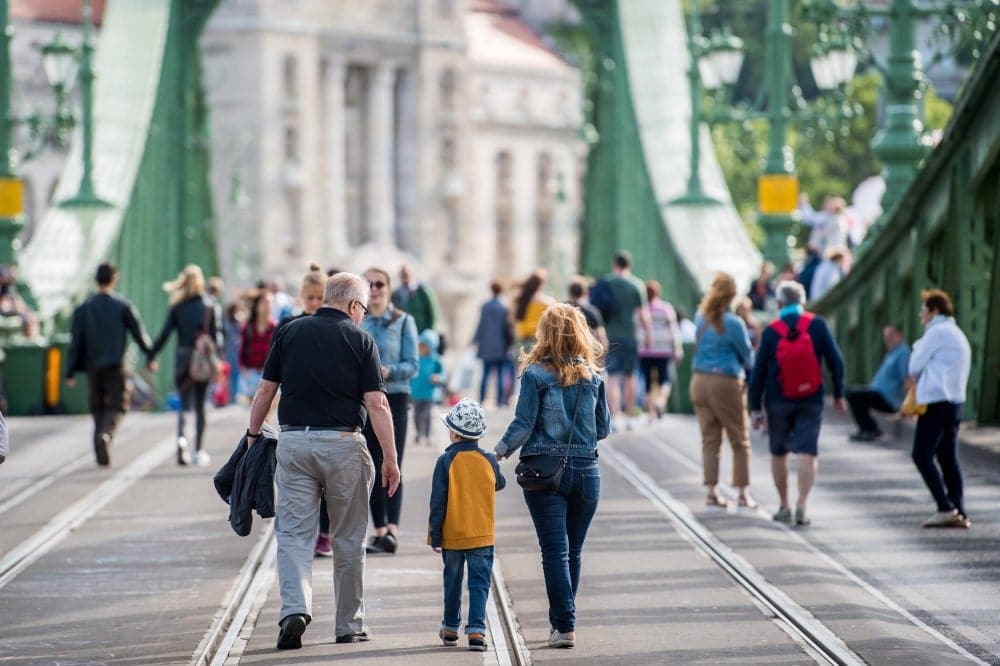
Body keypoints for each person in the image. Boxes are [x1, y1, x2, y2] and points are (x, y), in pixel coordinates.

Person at [245, 272, 399, 649]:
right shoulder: (361, 339)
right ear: (351, 305)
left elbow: (266, 389)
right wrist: (391, 458)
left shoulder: (289, 332)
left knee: (295, 535)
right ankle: (349, 625)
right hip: (345, 445)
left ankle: (294, 610)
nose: (362, 314)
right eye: (361, 307)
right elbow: (377, 403)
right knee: (348, 538)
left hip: (295, 442)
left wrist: (252, 435)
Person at [494, 303, 610, 650]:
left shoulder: (534, 375)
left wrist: (497, 452)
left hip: (545, 472)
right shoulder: (594, 377)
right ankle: (564, 624)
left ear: (545, 334)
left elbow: (524, 423)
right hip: (587, 473)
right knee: (573, 551)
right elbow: (603, 429)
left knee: (554, 552)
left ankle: (565, 625)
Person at [748, 281, 845, 527]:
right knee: (807, 452)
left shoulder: (771, 331)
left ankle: (784, 505)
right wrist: (839, 394)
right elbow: (837, 360)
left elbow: (757, 372)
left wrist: (754, 408)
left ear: (779, 304)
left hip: (777, 399)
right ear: (803, 303)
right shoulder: (817, 325)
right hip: (811, 398)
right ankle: (802, 504)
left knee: (778, 452)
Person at [428, 398, 505, 652]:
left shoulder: (445, 461)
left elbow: (437, 501)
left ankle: (450, 628)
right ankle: (476, 631)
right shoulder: (488, 460)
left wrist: (435, 535)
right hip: (482, 535)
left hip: (452, 536)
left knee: (452, 581)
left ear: (454, 433)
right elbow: (500, 483)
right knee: (479, 583)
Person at [66, 262, 155, 466]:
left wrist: (70, 371)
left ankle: (99, 443)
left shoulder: (83, 308)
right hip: (118, 366)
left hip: (93, 366)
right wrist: (150, 356)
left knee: (97, 406)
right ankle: (106, 434)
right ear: (114, 279)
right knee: (118, 405)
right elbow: (139, 333)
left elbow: (76, 341)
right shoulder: (122, 305)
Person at [361, 266, 419, 554]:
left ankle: (392, 530)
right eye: (368, 284)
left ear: (388, 287)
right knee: (371, 464)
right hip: (365, 401)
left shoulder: (403, 321)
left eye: (379, 284)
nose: (373, 289)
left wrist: (388, 371)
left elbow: (413, 365)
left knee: (393, 462)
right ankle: (380, 530)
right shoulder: (358, 320)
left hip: (394, 398)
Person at [276, 264, 331, 557]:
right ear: (301, 297)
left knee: (326, 481)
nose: (314, 304)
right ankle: (304, 533)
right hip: (296, 409)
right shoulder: (287, 325)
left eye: (320, 298)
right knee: (300, 483)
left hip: (324, 409)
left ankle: (324, 533)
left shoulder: (336, 325)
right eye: (310, 298)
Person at [689, 273, 756, 509]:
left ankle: (711, 493)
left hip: (699, 381)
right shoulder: (735, 323)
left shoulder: (700, 317)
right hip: (725, 382)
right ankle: (742, 494)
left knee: (710, 439)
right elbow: (748, 356)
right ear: (733, 295)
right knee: (739, 438)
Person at [908, 289, 972, 528]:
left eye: (923, 310)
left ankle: (945, 507)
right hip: (955, 402)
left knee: (921, 455)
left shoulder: (936, 332)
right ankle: (959, 509)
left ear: (934, 311)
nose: (920, 315)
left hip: (936, 401)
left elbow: (914, 366)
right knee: (947, 458)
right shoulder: (956, 333)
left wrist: (918, 346)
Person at [147, 264, 221, 466]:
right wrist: (218, 362)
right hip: (203, 360)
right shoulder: (209, 306)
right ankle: (198, 450)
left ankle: (181, 441)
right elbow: (217, 338)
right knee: (200, 406)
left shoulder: (177, 307)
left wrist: (151, 356)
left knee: (183, 404)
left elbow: (163, 335)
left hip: (183, 359)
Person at [594, 250, 651, 425]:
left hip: (610, 335)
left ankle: (615, 417)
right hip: (630, 336)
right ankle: (629, 416)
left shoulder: (606, 282)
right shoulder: (636, 285)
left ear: (615, 264)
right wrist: (648, 335)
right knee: (630, 376)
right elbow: (643, 315)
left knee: (613, 377)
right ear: (629, 265)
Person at [845, 324, 910, 441]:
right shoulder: (891, 353)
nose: (888, 339)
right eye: (886, 337)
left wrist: (908, 407)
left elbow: (907, 379)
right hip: (878, 394)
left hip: (888, 399)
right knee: (850, 391)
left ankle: (870, 429)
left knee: (854, 395)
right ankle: (866, 428)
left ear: (900, 336)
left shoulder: (903, 353)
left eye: (891, 336)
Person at [640, 280, 683, 419]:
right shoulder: (666, 308)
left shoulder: (642, 308)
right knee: (665, 380)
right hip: (664, 350)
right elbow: (673, 330)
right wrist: (677, 348)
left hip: (646, 351)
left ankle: (650, 412)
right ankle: (660, 401)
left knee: (647, 382)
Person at [472, 280, 514, 406]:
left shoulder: (485, 306)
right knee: (501, 375)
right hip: (501, 345)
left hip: (486, 346)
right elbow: (509, 327)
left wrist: (475, 340)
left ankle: (481, 399)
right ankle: (500, 401)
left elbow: (481, 325)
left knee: (485, 374)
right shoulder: (505, 306)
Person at [238, 290, 276, 403]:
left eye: (269, 303)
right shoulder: (248, 328)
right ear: (257, 306)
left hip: (269, 375)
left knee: (266, 409)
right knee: (254, 411)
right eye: (264, 303)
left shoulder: (275, 327)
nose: (267, 307)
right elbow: (242, 350)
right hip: (252, 374)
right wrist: (244, 369)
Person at [412, 330, 446, 447]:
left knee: (427, 415)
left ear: (431, 347)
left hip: (429, 393)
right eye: (420, 346)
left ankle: (427, 435)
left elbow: (443, 375)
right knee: (416, 415)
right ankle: (418, 432)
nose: (422, 348)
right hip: (416, 392)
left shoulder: (436, 360)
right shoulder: (415, 358)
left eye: (425, 346)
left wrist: (438, 377)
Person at [513, 268, 555, 351]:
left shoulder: (520, 300)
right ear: (541, 284)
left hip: (522, 341)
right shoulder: (547, 302)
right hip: (539, 341)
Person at [391, 263, 440, 334]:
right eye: (402, 273)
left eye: (407, 273)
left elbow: (433, 312)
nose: (405, 275)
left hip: (421, 332)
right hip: (403, 333)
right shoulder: (395, 294)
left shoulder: (423, 291)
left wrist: (429, 330)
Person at [566, 276, 608, 352]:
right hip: (584, 355)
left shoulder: (559, 309)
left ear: (569, 291)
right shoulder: (592, 312)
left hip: (559, 355)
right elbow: (602, 339)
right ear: (585, 292)